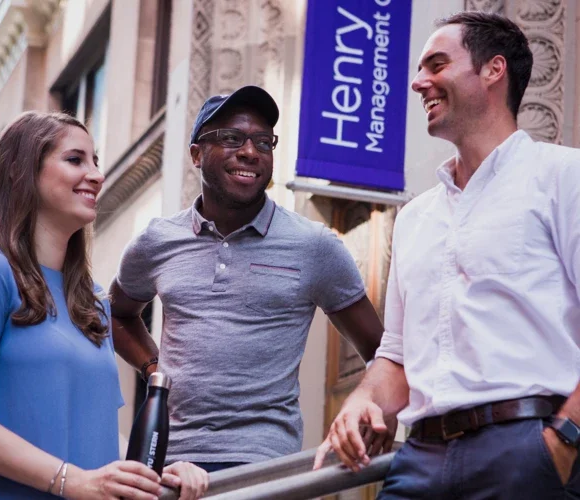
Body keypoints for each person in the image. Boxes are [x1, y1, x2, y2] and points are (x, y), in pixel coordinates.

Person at [314, 11, 580, 498]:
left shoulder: (564, 178)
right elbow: (396, 358)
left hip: (527, 451)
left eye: (436, 65)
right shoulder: (415, 217)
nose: (418, 82)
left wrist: (564, 439)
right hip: (419, 462)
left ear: (493, 70)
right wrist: (361, 400)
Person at [110, 85, 384, 472]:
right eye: (231, 138)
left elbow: (382, 349)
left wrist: (365, 409)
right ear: (196, 154)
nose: (250, 152)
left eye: (263, 142)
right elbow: (117, 314)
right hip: (169, 460)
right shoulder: (158, 241)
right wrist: (154, 368)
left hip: (263, 464)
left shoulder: (314, 245)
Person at [0, 111, 208, 500]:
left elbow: (91, 437)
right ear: (21, 172)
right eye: (75, 159)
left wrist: (156, 473)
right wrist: (73, 481)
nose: (97, 175)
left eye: (95, 161)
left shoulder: (93, 303)